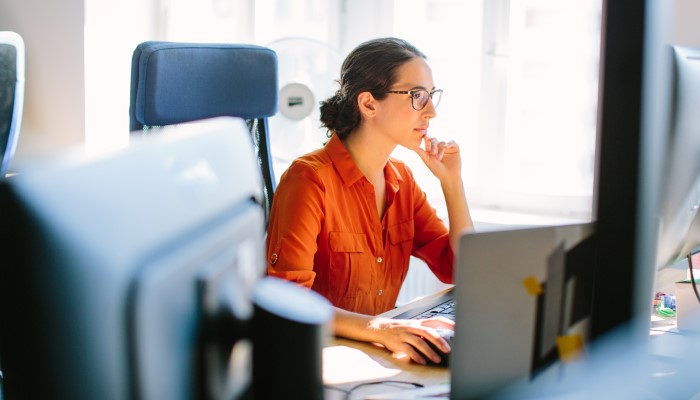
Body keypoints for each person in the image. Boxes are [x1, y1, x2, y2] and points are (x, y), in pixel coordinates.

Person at [266, 37, 474, 365]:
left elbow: (460, 269)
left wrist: (452, 183)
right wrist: (377, 327)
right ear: (368, 104)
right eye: (417, 96)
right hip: (317, 359)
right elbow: (288, 301)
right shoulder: (309, 180)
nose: (431, 112)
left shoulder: (402, 180)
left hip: (375, 355)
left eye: (432, 96)